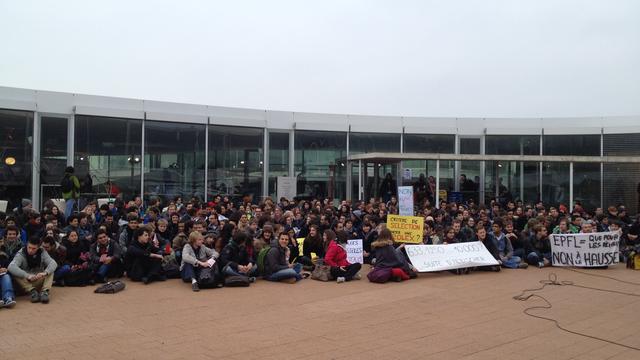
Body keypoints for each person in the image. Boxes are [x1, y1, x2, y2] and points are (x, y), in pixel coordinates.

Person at [8, 237, 57, 303]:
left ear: (38, 248)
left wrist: (45, 273)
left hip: (37, 278)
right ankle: (33, 292)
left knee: (50, 271)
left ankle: (45, 292)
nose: (30, 250)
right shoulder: (21, 253)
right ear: (27, 245)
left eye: (34, 248)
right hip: (25, 283)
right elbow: (11, 267)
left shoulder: (42, 252)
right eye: (29, 247)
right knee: (14, 273)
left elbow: (53, 263)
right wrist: (27, 275)